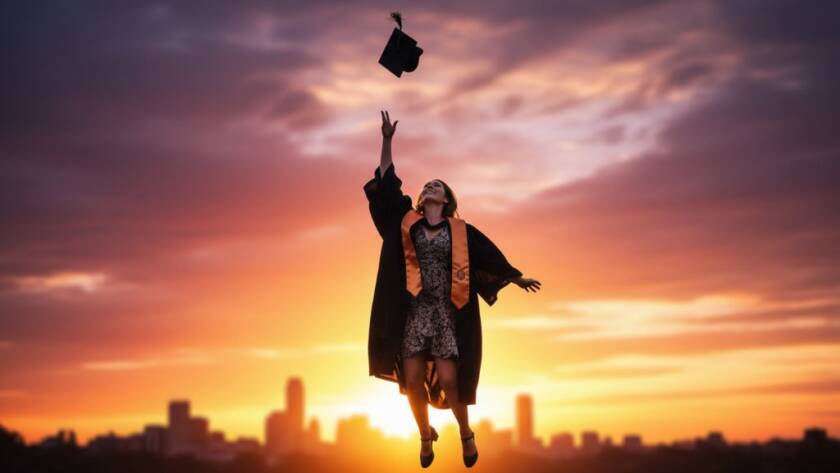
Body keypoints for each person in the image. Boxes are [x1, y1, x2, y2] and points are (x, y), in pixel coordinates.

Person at [363, 110, 541, 468]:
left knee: (449, 379)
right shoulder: (405, 223)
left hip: (447, 313)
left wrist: (513, 276)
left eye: (437, 186)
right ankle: (426, 436)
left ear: (446, 200)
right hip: (413, 311)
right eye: (427, 185)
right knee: (411, 380)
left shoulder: (460, 232)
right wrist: (386, 140)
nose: (429, 187)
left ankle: (465, 433)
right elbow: (386, 185)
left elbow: (487, 258)